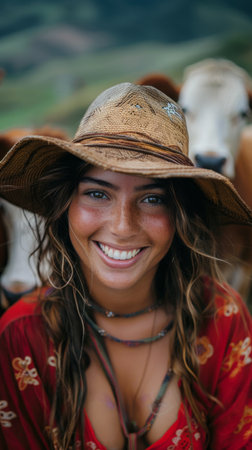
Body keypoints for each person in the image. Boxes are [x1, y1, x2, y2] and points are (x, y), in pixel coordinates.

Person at [0, 82, 251, 450]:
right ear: (65, 203)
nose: (121, 226)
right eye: (98, 193)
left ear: (180, 215)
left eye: (152, 198)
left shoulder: (221, 317)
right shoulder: (20, 337)